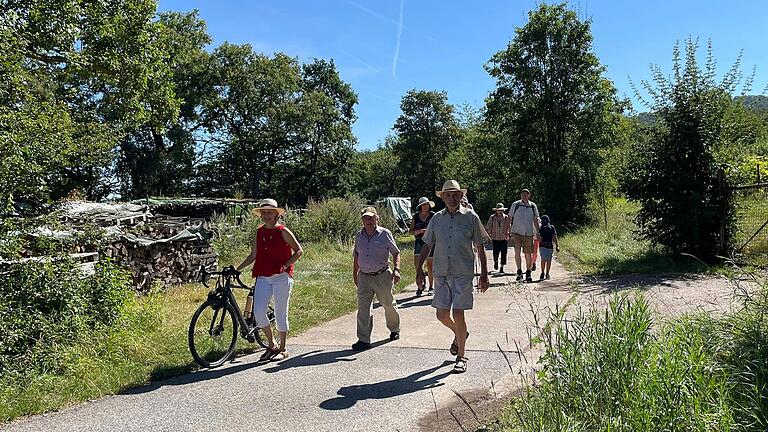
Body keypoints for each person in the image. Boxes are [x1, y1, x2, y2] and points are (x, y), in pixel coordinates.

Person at [416, 180, 490, 374]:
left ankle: (461, 356)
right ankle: (460, 333)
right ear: (442, 197)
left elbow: (480, 246)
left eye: (455, 194)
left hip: (462, 273)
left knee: (458, 313)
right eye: (447, 195)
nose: (451, 198)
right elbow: (426, 245)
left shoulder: (471, 217)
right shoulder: (437, 219)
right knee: (441, 314)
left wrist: (484, 274)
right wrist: (419, 270)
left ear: (461, 196)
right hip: (440, 272)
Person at [236, 198, 303, 362]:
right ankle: (272, 344)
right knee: (258, 312)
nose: (266, 215)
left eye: (269, 212)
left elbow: (299, 251)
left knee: (281, 312)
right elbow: (254, 255)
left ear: (275, 214)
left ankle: (283, 348)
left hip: (281, 278)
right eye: (264, 212)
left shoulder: (283, 231)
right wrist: (237, 268)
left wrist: (285, 266)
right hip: (263, 277)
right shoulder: (259, 232)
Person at [352, 206, 402, 351]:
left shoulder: (385, 234)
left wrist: (397, 270)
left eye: (371, 218)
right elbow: (356, 256)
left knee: (388, 304)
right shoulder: (359, 235)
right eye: (365, 218)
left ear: (377, 218)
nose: (368, 221)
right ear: (362, 220)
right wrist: (355, 274)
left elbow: (396, 253)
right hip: (365, 277)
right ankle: (363, 339)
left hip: (382, 275)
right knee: (363, 309)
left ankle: (394, 329)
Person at [508, 189, 540, 283]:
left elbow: (536, 220)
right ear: (521, 195)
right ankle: (519, 271)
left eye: (526, 195)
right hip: (516, 232)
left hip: (528, 233)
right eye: (522, 195)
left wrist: (538, 232)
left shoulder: (533, 206)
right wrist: (507, 230)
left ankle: (528, 272)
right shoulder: (516, 205)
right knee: (517, 252)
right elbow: (510, 217)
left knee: (528, 254)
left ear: (529, 195)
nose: (524, 196)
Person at [410, 197, 436, 296]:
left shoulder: (433, 215)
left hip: (431, 241)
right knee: (417, 264)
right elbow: (410, 230)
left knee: (430, 265)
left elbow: (437, 228)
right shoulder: (416, 216)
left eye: (427, 204)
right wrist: (417, 231)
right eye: (424, 205)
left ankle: (431, 287)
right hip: (419, 241)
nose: (426, 206)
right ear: (420, 206)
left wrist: (429, 231)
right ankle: (420, 285)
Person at [486, 203, 511, 274]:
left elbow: (509, 227)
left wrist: (509, 234)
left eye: (501, 210)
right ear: (496, 211)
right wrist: (489, 235)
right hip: (495, 237)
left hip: (504, 238)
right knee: (495, 252)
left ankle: (502, 267)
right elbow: (489, 226)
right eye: (498, 210)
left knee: (504, 253)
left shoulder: (506, 217)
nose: (500, 211)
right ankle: (495, 261)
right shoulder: (492, 217)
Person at [538, 215, 560, 280]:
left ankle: (547, 273)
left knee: (549, 260)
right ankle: (542, 272)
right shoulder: (540, 228)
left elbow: (554, 237)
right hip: (542, 246)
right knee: (543, 259)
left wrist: (557, 246)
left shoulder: (552, 228)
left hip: (550, 246)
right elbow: (539, 239)